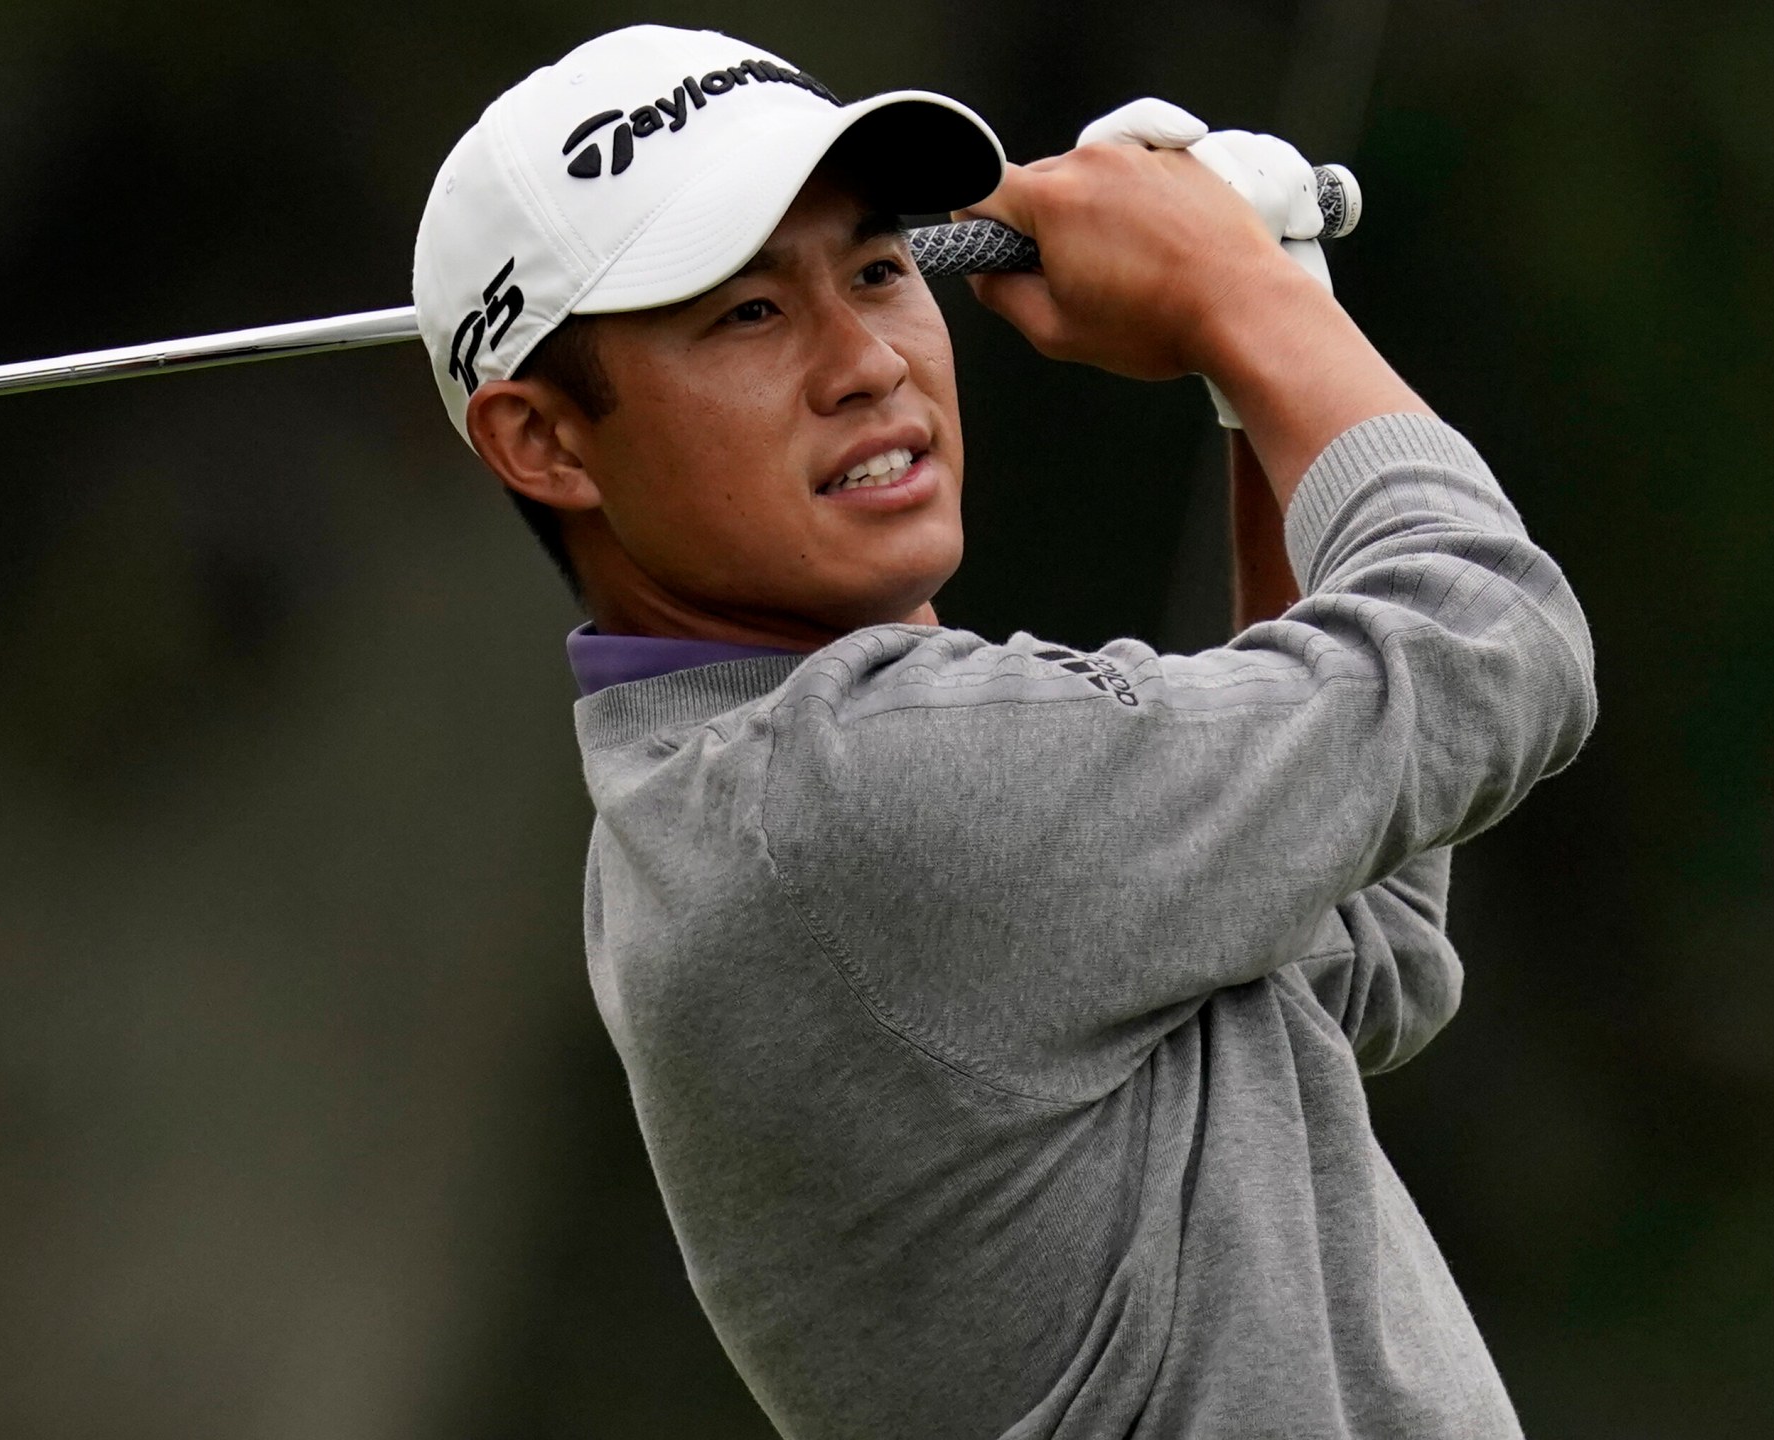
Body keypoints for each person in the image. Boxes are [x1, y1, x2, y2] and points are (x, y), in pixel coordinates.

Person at [412, 24, 1593, 1440]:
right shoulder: (851, 792)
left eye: (877, 268)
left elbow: (1359, 947)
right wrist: (1241, 304)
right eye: (745, 314)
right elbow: (1495, 647)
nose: (863, 362)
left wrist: (1257, 360)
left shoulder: (724, 800)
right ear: (545, 441)